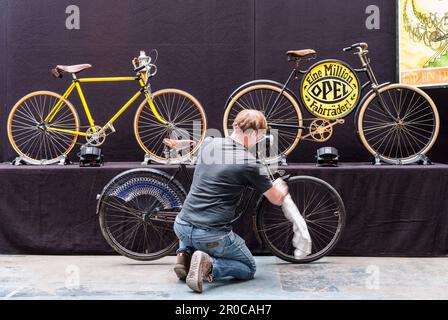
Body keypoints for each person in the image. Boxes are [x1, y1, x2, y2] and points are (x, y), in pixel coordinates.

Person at [173, 110, 289, 293]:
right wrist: (281, 187)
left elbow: (196, 148)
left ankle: (183, 254)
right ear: (256, 134)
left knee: (191, 224)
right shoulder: (251, 163)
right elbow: (276, 199)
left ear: (235, 125)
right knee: (249, 268)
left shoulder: (209, 144)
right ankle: (208, 266)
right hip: (211, 236)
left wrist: (182, 144)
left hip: (181, 226)